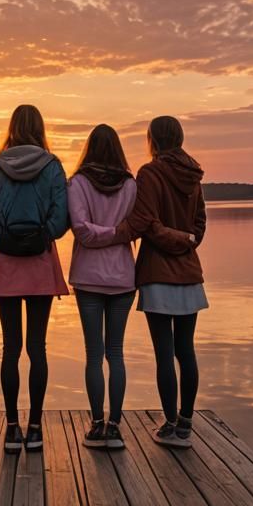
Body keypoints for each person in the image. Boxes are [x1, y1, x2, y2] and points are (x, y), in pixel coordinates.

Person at [114, 115, 207, 448]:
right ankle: (186, 424)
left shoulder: (150, 173)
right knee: (186, 350)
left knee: (165, 353)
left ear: (153, 139)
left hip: (157, 273)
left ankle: (170, 425)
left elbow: (144, 223)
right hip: (189, 273)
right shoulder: (194, 173)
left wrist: (108, 237)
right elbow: (199, 227)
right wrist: (184, 240)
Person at [0, 104, 69, 454]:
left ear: (12, 126)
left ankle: (11, 428)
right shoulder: (53, 167)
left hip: (5, 265)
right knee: (38, 348)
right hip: (39, 263)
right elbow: (62, 218)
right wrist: (40, 237)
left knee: (10, 349)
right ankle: (34, 428)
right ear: (40, 127)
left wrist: (5, 238)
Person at [67, 123, 137, 451]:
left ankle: (98, 426)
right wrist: (117, 233)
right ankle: (115, 426)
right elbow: (131, 229)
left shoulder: (78, 182)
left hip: (89, 277)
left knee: (95, 355)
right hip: (123, 276)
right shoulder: (131, 184)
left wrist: (101, 233)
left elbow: (81, 230)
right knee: (115, 353)